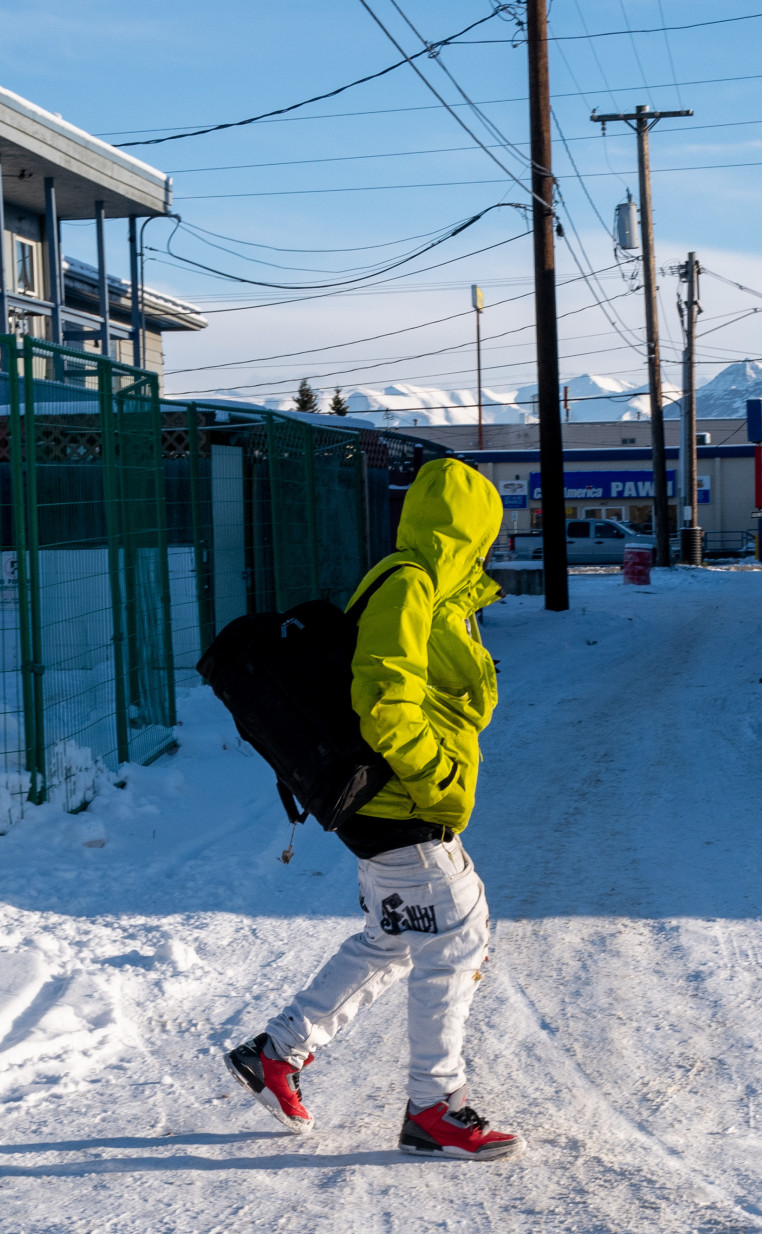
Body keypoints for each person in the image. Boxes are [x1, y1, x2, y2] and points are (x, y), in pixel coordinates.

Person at [225, 457, 518, 1160]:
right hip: (402, 802)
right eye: (485, 534)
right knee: (456, 938)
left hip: (395, 803)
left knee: (396, 938)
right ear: (467, 527)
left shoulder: (433, 589)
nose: (490, 549)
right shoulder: (410, 586)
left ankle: (278, 1053)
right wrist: (437, 773)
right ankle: (435, 1107)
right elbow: (384, 700)